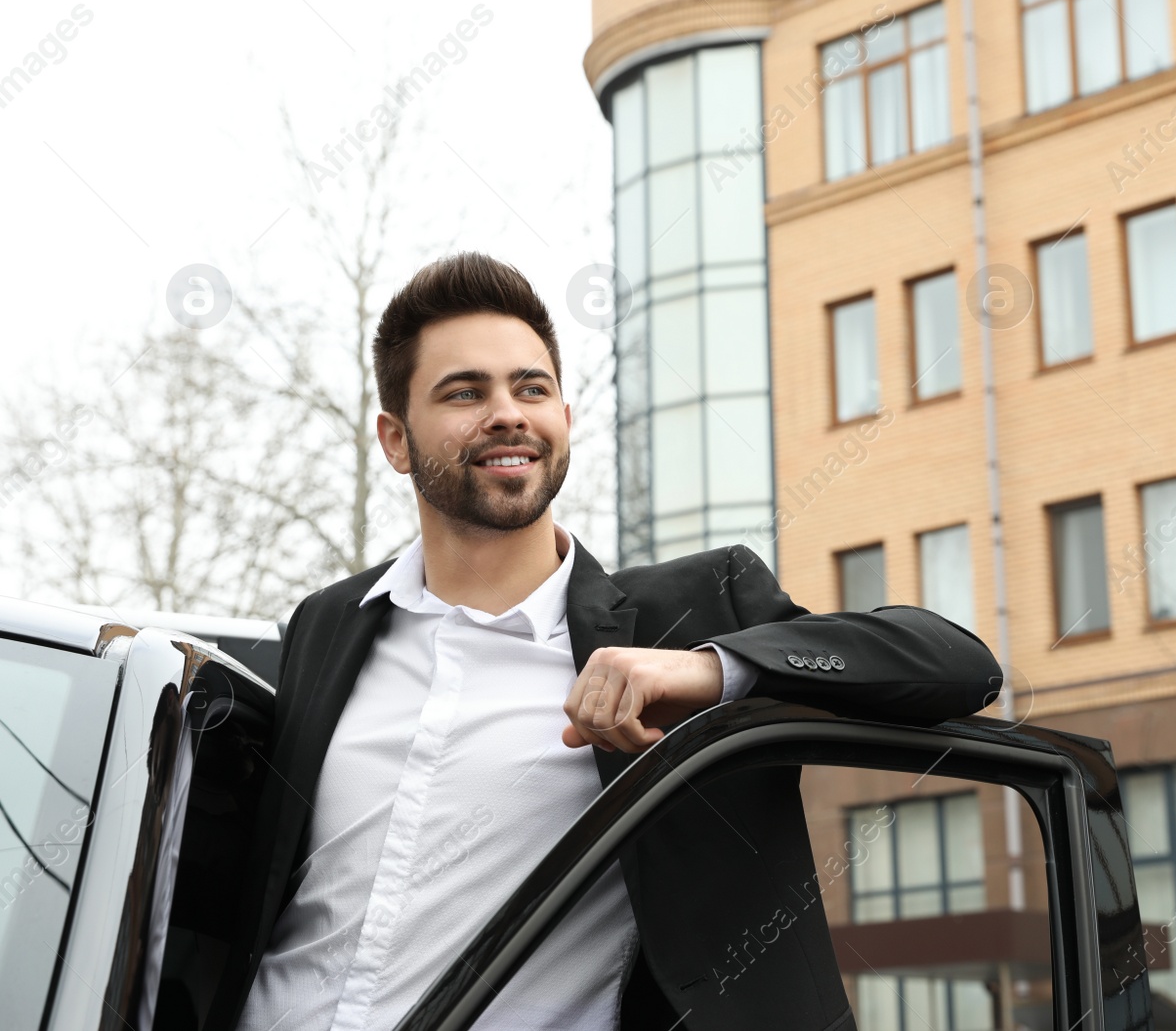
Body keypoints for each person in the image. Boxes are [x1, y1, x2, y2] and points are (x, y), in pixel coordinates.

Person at [209, 252, 1001, 1031]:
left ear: (564, 421)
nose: (508, 412)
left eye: (532, 387)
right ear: (395, 439)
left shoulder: (692, 612)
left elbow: (958, 665)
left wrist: (709, 671)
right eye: (464, 392)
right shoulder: (325, 624)